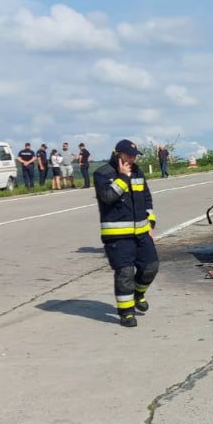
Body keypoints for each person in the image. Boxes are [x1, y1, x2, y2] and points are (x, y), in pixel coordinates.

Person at [94, 139, 158, 328]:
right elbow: (107, 198)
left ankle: (138, 294)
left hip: (142, 233)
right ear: (118, 154)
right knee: (125, 273)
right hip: (117, 236)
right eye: (129, 155)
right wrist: (122, 178)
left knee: (151, 267)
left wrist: (150, 223)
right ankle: (126, 312)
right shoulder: (102, 173)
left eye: (135, 155)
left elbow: (147, 199)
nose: (132, 158)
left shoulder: (138, 171)